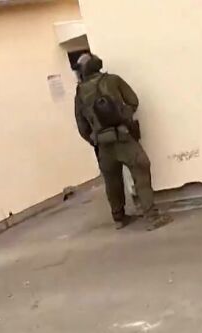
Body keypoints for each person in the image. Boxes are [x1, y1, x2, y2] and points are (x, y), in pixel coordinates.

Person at [74, 54, 170, 231]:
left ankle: (119, 218)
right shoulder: (113, 80)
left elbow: (82, 126)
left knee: (112, 181)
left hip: (103, 144)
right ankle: (152, 217)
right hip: (123, 137)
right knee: (141, 170)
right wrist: (124, 119)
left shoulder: (80, 93)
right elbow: (133, 101)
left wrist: (95, 139)